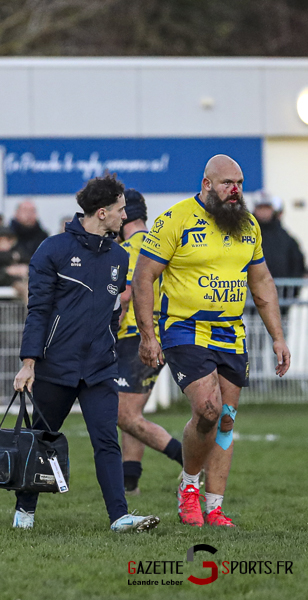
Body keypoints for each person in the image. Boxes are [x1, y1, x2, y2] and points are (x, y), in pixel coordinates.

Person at [133, 155, 291, 528]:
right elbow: (143, 277)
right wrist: (147, 335)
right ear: (206, 184)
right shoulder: (176, 219)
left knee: (226, 420)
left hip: (230, 332)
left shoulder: (249, 225)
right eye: (227, 184)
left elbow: (263, 283)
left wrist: (278, 338)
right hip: (185, 329)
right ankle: (189, 486)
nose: (235, 191)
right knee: (208, 409)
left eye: (239, 183)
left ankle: (215, 508)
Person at [13, 174, 160, 533]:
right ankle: (25, 510)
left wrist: (108, 344)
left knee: (107, 440)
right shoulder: (52, 250)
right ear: (101, 212)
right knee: (42, 439)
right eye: (121, 210)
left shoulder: (119, 256)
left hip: (99, 368)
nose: (125, 217)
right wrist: (29, 362)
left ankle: (119, 517)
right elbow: (38, 311)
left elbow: (113, 312)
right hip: (56, 366)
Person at [114, 189, 183, 495]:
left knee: (124, 415)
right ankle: (130, 483)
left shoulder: (130, 247)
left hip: (136, 336)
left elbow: (126, 294)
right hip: (163, 332)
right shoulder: (159, 241)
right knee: (132, 412)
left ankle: (191, 459)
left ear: (124, 215)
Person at [253, 194, 305, 308]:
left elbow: (297, 263)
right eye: (260, 208)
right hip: (251, 302)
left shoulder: (285, 237)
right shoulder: (245, 234)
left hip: (281, 301)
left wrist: (292, 293)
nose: (264, 212)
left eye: (267, 208)